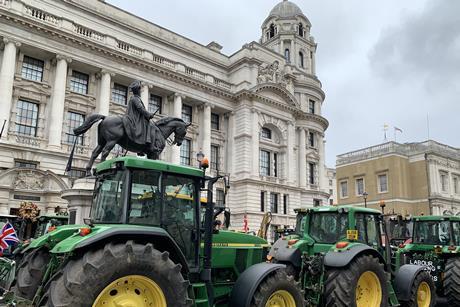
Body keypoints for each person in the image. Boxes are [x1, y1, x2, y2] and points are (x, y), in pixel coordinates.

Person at [122, 81, 157, 146]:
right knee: (149, 124)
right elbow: (140, 108)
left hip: (133, 116)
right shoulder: (136, 99)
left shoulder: (134, 98)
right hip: (134, 118)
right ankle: (146, 142)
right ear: (138, 91)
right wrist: (149, 115)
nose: (141, 91)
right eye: (140, 89)